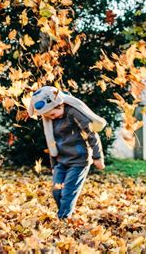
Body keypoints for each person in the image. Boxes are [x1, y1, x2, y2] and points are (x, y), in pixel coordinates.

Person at [28, 86, 106, 219]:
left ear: (60, 104)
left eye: (52, 114)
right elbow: (51, 142)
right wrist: (53, 166)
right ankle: (65, 213)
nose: (51, 118)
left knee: (68, 191)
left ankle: (63, 218)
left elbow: (91, 133)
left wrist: (97, 156)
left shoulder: (73, 113)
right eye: (48, 116)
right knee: (57, 192)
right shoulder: (49, 119)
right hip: (61, 161)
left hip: (79, 160)